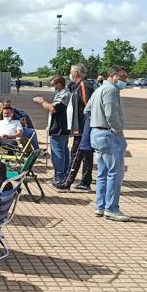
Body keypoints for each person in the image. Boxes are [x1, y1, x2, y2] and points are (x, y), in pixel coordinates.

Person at [84, 66, 129, 222]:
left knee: (103, 173)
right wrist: (118, 130)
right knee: (115, 173)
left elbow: (87, 110)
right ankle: (111, 208)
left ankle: (101, 206)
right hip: (108, 135)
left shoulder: (99, 89)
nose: (125, 80)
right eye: (123, 77)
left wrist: (98, 120)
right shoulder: (111, 90)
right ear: (114, 76)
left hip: (97, 133)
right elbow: (111, 114)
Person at [53, 64, 94, 191]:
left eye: (71, 72)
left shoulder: (84, 85)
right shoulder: (77, 86)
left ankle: (67, 182)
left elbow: (88, 106)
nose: (70, 74)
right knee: (86, 154)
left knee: (76, 154)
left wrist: (85, 126)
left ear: (76, 73)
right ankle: (85, 182)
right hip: (81, 127)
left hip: (82, 127)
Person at [33, 75, 71, 184]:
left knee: (57, 152)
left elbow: (53, 108)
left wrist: (42, 101)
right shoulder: (63, 94)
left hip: (59, 128)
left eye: (52, 85)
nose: (52, 87)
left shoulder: (64, 94)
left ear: (59, 84)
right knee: (63, 151)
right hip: (62, 127)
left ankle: (60, 177)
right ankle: (63, 175)